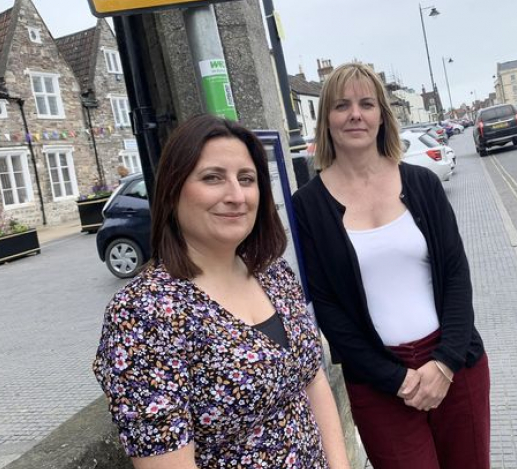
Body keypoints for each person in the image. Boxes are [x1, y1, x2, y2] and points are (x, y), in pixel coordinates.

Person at [93, 115, 349, 469]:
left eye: (246, 179)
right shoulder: (143, 314)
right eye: (212, 178)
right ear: (172, 189)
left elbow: (313, 379)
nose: (236, 195)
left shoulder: (272, 272)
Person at [292, 63, 490, 469]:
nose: (355, 115)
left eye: (366, 103)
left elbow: (456, 276)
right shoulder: (307, 207)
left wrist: (445, 363)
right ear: (325, 117)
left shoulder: (422, 184)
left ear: (382, 114)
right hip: (378, 383)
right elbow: (328, 308)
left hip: (455, 365)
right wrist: (395, 379)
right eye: (342, 105)